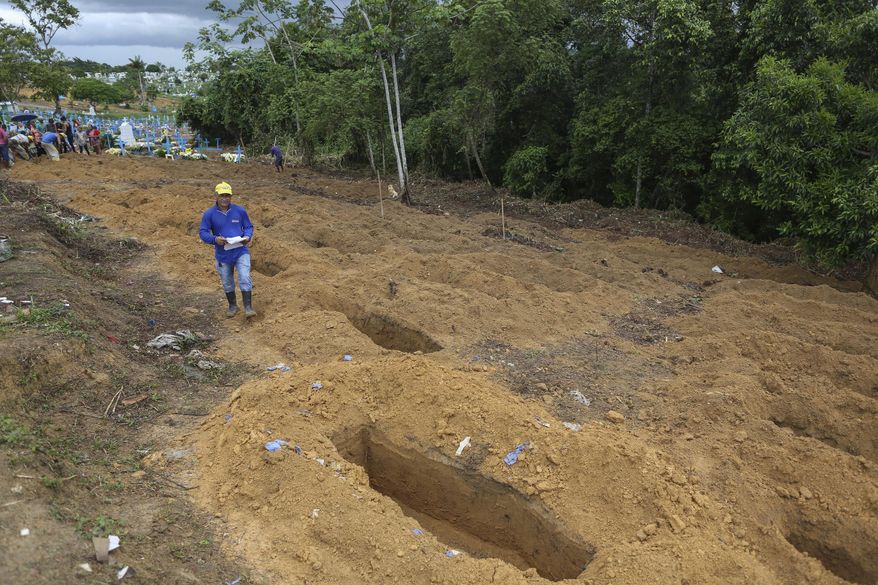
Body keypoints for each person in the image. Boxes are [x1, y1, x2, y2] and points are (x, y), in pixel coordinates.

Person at [198, 182, 257, 318]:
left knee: (244, 277)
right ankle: (232, 306)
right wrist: (215, 239)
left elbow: (248, 226)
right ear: (216, 196)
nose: (225, 198)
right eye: (222, 195)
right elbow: (203, 232)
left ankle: (248, 307)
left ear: (231, 197)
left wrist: (247, 236)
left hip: (240, 250)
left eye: (227, 196)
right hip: (222, 254)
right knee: (227, 281)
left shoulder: (240, 211)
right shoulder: (209, 214)